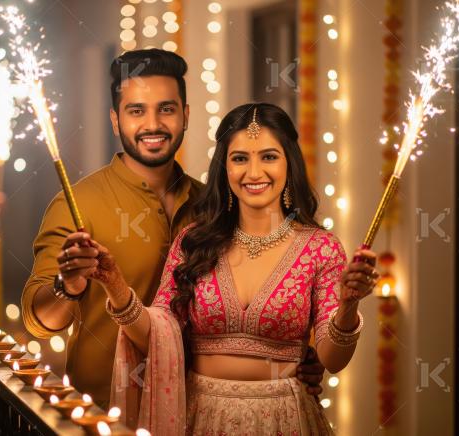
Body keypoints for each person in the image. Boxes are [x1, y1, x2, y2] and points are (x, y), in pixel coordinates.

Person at [20, 50, 326, 406]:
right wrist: (67, 287)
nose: (153, 124)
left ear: (186, 115)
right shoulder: (77, 204)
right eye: (137, 111)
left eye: (166, 109)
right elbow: (38, 321)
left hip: (195, 410)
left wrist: (290, 356)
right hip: (105, 412)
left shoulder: (218, 205)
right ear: (115, 120)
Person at [84, 103, 378, 434]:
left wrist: (349, 304)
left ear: (289, 163)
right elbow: (154, 335)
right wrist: (114, 284)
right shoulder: (193, 243)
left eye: (268, 156)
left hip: (285, 420)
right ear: (224, 166)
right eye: (240, 158)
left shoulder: (320, 248)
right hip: (200, 418)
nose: (254, 173)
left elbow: (333, 359)